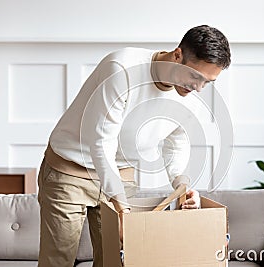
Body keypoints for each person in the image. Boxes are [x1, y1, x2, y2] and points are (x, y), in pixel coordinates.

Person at [37, 24, 231, 267]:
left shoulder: (189, 96)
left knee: (116, 262)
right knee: (58, 261)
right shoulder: (121, 69)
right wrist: (120, 204)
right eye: (195, 76)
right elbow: (101, 142)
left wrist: (181, 183)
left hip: (121, 172)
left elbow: (177, 140)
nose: (198, 88)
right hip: (71, 168)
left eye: (208, 82)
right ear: (178, 54)